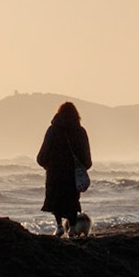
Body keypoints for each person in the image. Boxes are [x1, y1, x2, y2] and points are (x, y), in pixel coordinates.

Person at [36, 101, 93, 238]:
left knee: (56, 201)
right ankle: (72, 228)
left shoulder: (52, 130)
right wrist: (84, 166)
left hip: (55, 173)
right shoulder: (80, 131)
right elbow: (87, 156)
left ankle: (60, 226)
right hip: (72, 174)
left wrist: (45, 164)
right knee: (72, 201)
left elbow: (42, 154)